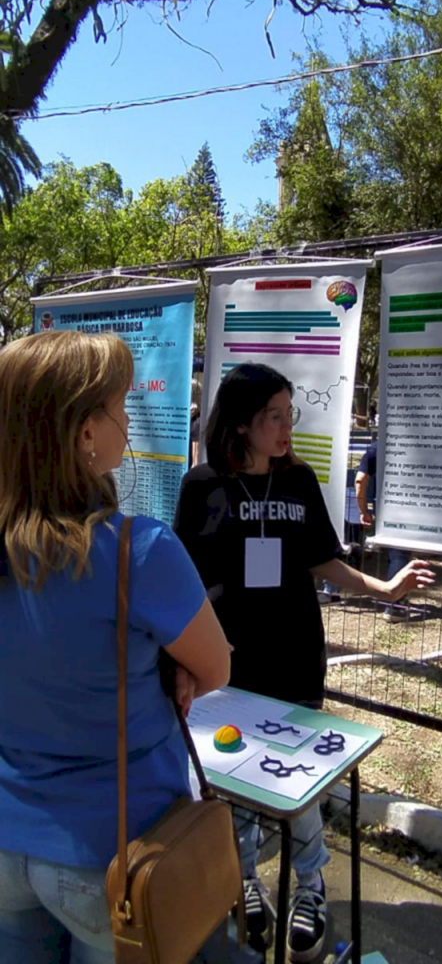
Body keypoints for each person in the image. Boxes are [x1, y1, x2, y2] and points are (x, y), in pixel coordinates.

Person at [173, 363, 435, 962]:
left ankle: (310, 885)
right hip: (230, 668)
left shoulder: (299, 481)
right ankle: (244, 880)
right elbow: (185, 580)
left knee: (300, 782)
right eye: (274, 416)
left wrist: (384, 588)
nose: (287, 427)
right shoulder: (203, 485)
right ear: (240, 423)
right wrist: (190, 653)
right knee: (231, 781)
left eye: (290, 414)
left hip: (295, 660)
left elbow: (323, 560)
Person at [0, 330, 233, 964]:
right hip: (114, 858)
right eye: (118, 405)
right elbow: (215, 667)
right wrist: (171, 669)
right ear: (84, 435)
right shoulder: (142, 550)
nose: (128, 420)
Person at [355, 439, 411, 622]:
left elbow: (360, 480)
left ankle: (394, 601)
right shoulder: (417, 443)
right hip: (413, 505)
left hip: (385, 506)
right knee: (399, 555)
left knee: (394, 554)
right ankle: (396, 605)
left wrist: (363, 510)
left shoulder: (376, 447)